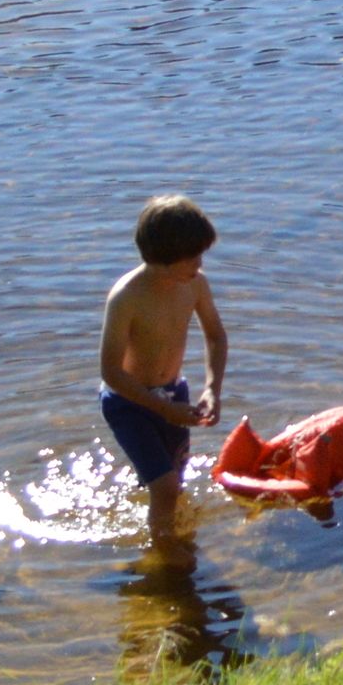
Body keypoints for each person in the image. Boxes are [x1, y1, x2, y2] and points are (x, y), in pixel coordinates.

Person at [99, 194, 229, 513]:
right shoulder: (126, 297)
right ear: (165, 257)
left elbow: (215, 336)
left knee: (174, 481)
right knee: (165, 486)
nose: (199, 264)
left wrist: (212, 389)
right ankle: (165, 559)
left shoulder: (196, 285)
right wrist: (161, 408)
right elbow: (111, 372)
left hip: (173, 393)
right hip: (128, 402)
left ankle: (169, 534)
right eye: (192, 257)